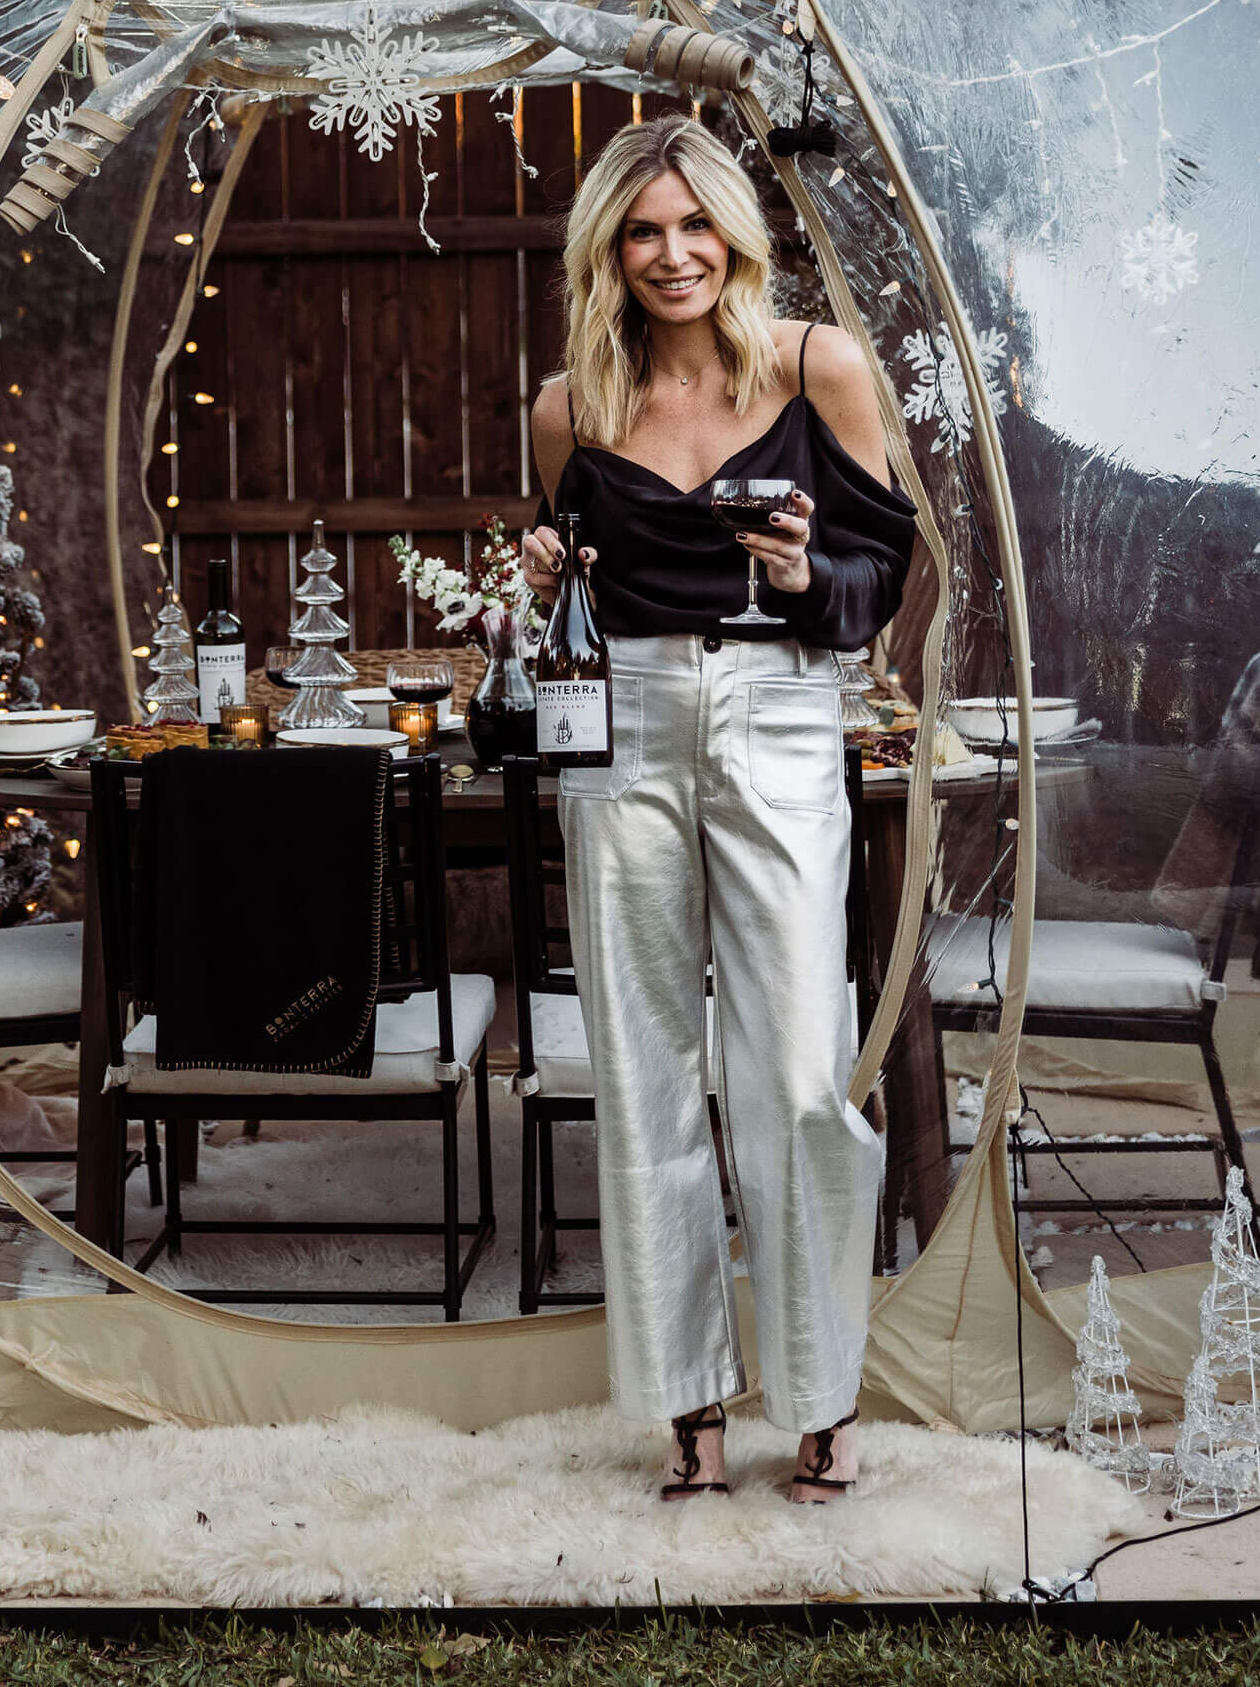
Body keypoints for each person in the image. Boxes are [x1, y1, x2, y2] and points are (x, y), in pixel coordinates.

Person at [520, 114, 916, 1503]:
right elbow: (578, 575)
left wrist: (811, 577)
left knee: (799, 1076)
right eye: (643, 230)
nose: (674, 254)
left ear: (737, 235)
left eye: (697, 226)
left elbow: (889, 577)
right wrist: (546, 571)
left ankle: (820, 1392)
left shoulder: (820, 369)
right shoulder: (571, 403)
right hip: (623, 723)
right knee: (639, 1066)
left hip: (783, 715)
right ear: (608, 250)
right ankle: (687, 1402)